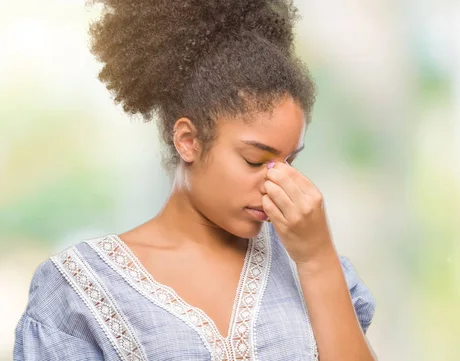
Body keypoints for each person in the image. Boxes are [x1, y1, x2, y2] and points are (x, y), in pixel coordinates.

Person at [13, 0, 377, 360]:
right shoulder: (79, 290)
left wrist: (317, 261)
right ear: (188, 140)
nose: (276, 182)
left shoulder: (313, 267)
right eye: (255, 160)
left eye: (289, 161)